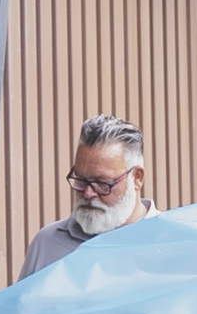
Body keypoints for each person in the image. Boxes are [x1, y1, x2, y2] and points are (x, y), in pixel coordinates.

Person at [23, 114, 152, 275]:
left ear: (137, 178)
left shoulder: (170, 244)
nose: (88, 193)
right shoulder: (47, 244)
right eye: (81, 180)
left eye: (101, 183)